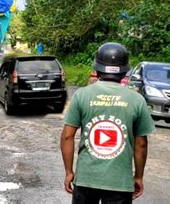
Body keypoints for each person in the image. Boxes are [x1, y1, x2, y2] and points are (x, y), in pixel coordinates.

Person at [60, 42, 155, 204]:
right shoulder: (137, 100)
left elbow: (67, 136)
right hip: (119, 183)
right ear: (125, 70)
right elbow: (141, 144)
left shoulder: (81, 95)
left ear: (97, 69)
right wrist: (138, 176)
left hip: (86, 179)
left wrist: (69, 172)